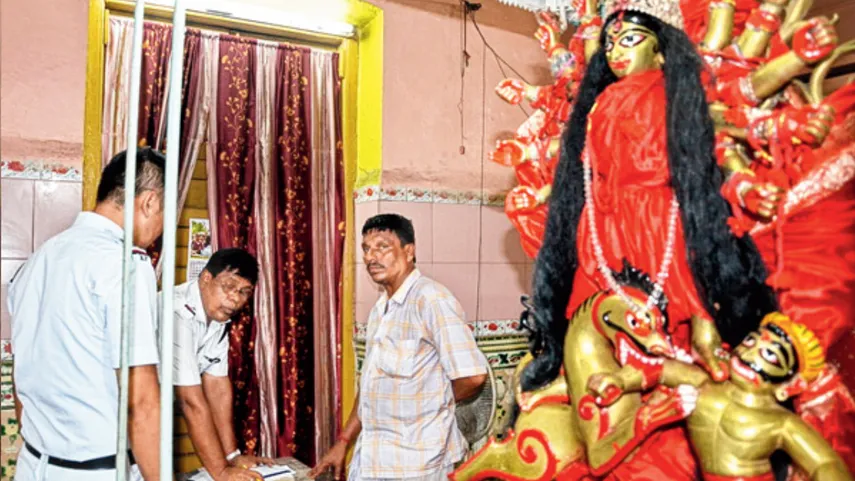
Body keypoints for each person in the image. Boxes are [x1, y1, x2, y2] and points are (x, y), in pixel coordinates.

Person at [521, 0, 780, 479]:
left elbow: (697, 172)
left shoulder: (672, 95)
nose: (618, 51)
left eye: (631, 40)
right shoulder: (597, 103)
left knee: (678, 337)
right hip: (598, 233)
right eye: (612, 42)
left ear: (662, 52)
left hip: (659, 226)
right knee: (587, 330)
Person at [8, 148, 166, 481]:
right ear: (149, 202)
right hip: (97, 471)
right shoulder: (126, 266)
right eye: (166, 214)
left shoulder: (38, 260)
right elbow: (142, 402)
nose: (162, 230)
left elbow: (20, 372)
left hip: (33, 464)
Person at [310, 214, 489, 481]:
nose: (371, 257)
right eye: (366, 249)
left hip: (418, 464)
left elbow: (473, 376)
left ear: (409, 251)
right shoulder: (380, 310)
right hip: (373, 459)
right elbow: (370, 385)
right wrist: (344, 441)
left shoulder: (431, 299)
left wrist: (434, 404)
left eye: (382, 246)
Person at [162, 248, 274, 481]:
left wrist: (231, 456)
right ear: (206, 278)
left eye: (244, 292)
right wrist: (221, 472)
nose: (235, 299)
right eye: (229, 287)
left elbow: (217, 388)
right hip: (112, 418)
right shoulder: (176, 313)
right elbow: (190, 401)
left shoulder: (217, 318)